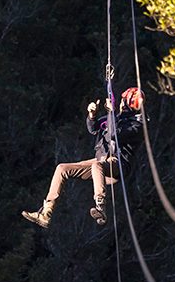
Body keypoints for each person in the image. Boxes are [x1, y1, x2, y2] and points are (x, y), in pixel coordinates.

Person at [22, 86, 145, 228]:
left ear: (128, 104)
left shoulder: (137, 125)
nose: (121, 103)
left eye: (123, 101)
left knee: (96, 165)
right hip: (101, 161)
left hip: (118, 165)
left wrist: (111, 112)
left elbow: (113, 134)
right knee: (62, 168)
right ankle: (46, 212)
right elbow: (94, 128)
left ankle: (100, 206)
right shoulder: (115, 118)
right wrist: (92, 115)